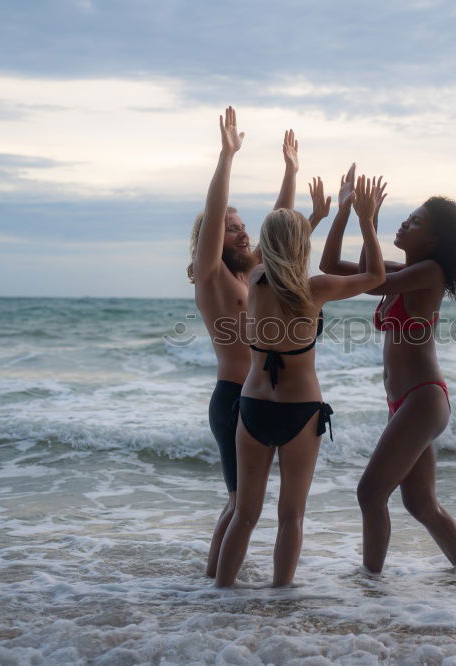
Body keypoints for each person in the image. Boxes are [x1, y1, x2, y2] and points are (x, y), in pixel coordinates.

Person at [212, 118, 387, 589]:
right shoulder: (317, 289)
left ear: (266, 248)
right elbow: (374, 277)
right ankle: (280, 600)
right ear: (302, 246)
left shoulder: (253, 281)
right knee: (291, 516)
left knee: (245, 515)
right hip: (299, 410)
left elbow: (279, 246)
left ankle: (218, 600)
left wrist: (315, 216)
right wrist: (364, 220)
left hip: (251, 407)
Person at [319, 169, 456, 573]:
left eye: (415, 223)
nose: (405, 224)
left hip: (422, 399)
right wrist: (354, 214)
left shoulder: (430, 273)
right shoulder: (400, 271)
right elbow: (334, 266)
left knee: (369, 493)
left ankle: (370, 584)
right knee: (421, 504)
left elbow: (372, 284)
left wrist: (367, 221)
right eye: (407, 218)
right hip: (406, 402)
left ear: (433, 241)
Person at [188, 108, 304, 578]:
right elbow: (215, 212)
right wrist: (226, 156)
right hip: (233, 397)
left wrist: (290, 171)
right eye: (233, 227)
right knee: (240, 505)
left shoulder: (250, 272)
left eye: (242, 226)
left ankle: (214, 585)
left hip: (261, 397)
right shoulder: (213, 275)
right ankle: (215, 588)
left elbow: (280, 225)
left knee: (242, 505)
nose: (241, 230)